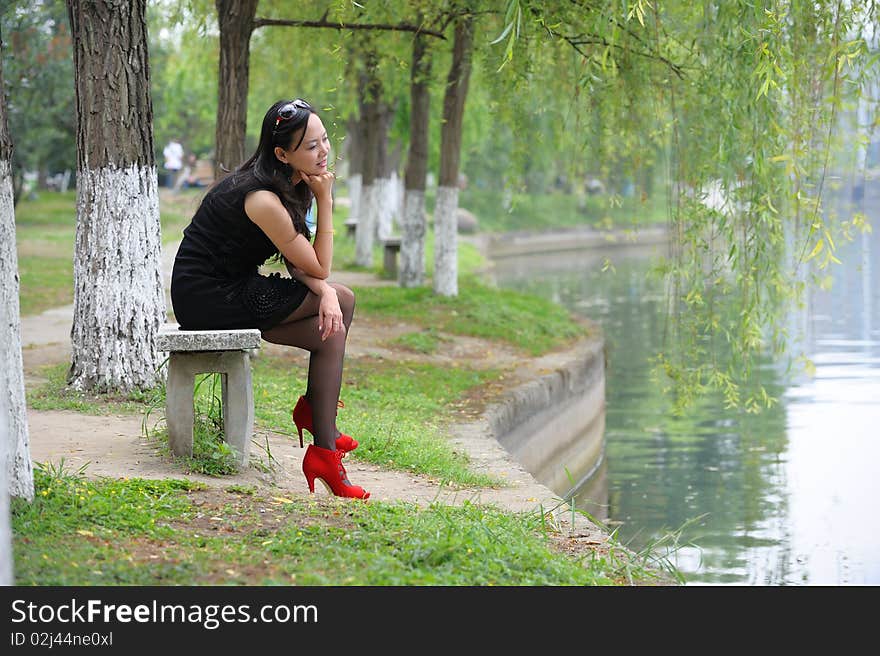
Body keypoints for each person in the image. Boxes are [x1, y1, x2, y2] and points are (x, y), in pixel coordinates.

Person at [170, 99, 369, 499]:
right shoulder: (262, 198)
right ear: (282, 153)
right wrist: (327, 201)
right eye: (311, 146)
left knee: (336, 313)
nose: (323, 151)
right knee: (338, 304)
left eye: (324, 140)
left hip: (233, 285)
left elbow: (302, 266)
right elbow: (319, 265)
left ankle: (322, 434)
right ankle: (322, 438)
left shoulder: (292, 182)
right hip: (207, 294)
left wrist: (325, 292)